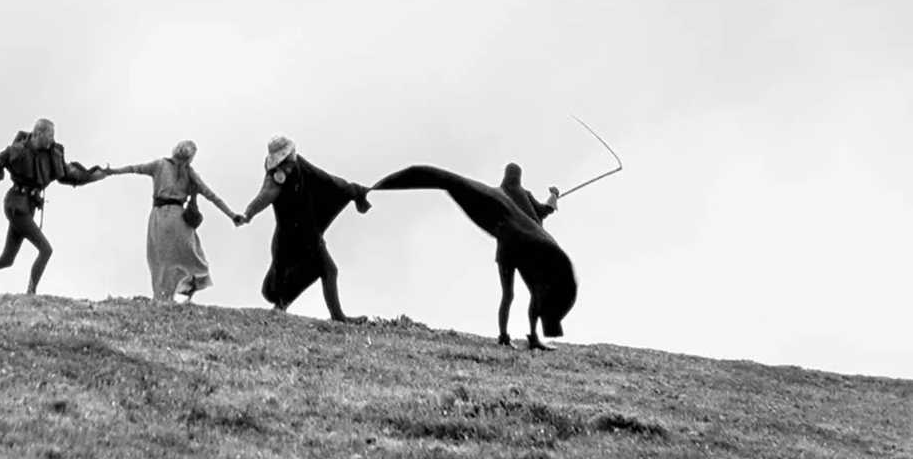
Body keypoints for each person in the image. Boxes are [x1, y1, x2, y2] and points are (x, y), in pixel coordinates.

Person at [371, 163, 578, 350]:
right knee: (533, 292)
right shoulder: (522, 194)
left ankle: (507, 337)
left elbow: (539, 213)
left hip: (507, 251)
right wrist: (554, 195)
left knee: (509, 294)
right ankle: (529, 337)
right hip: (525, 251)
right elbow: (544, 212)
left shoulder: (499, 194)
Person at [0, 118, 107, 295]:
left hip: (28, 207)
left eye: (53, 136)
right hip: (16, 206)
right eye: (49, 135)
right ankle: (31, 293)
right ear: (38, 134)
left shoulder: (52, 153)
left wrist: (93, 176)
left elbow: (66, 175)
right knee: (46, 250)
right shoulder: (16, 152)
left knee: (6, 259)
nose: (52, 139)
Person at [237, 136, 372, 322]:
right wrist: (248, 214)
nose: (291, 160)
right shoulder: (275, 179)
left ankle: (334, 316)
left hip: (309, 233)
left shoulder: (299, 164)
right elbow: (264, 196)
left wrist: (353, 190)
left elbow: (326, 180)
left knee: (327, 270)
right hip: (289, 239)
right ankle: (283, 307)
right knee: (285, 280)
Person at [105, 140, 243, 302]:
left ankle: (164, 296)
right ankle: (186, 288)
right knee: (190, 256)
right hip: (178, 219)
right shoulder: (190, 173)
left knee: (160, 261)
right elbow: (212, 196)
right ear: (190, 157)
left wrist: (112, 171)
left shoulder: (159, 165)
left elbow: (134, 169)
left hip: (159, 218)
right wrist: (232, 215)